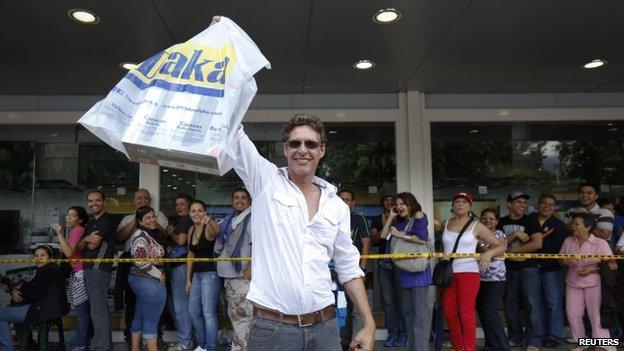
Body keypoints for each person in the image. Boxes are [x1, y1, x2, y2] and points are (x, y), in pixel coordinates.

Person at [215, 110, 375, 351]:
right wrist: (232, 81)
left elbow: (349, 268)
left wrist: (369, 324)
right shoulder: (265, 181)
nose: (303, 149)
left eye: (310, 144)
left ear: (321, 150)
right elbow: (234, 132)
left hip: (325, 329)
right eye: (295, 143)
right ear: (286, 149)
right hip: (272, 329)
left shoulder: (336, 205)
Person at [441, 192, 505, 351]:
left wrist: (488, 254)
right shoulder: (446, 223)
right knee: (449, 312)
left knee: (466, 314)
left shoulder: (477, 226)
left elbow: (502, 246)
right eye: (457, 201)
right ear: (452, 206)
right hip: (449, 274)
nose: (460, 204)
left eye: (464, 202)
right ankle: (459, 346)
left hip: (469, 273)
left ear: (470, 206)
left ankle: (469, 348)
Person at [379, 192, 432, 351]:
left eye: (402, 203)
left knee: (419, 316)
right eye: (397, 204)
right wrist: (391, 217)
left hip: (419, 272)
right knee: (408, 313)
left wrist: (400, 235)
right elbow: (383, 236)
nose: (400, 206)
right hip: (405, 271)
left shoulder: (419, 216)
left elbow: (422, 238)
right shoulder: (399, 222)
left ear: (410, 203)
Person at [116, 189, 168, 342]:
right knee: (134, 303)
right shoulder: (131, 223)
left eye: (146, 198)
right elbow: (120, 237)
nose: (142, 200)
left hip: (154, 266)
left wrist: (148, 217)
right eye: (139, 198)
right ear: (134, 200)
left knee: (148, 308)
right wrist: (137, 219)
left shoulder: (158, 217)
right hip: (135, 267)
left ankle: (152, 339)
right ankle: (133, 340)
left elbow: (163, 233)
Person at [560, 213, 617, 349]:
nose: (572, 226)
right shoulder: (569, 241)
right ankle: (582, 343)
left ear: (588, 227)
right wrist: (565, 261)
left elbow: (613, 264)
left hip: (594, 282)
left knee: (596, 315)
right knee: (573, 313)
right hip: (573, 282)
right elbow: (560, 259)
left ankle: (603, 345)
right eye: (572, 223)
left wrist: (593, 269)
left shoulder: (600, 243)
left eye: (576, 224)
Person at [498, 191, 544, 351]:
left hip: (528, 269)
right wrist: (515, 234)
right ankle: (515, 338)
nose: (522, 205)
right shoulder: (500, 221)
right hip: (507, 270)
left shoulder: (531, 220)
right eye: (518, 202)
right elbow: (498, 242)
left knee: (532, 305)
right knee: (510, 306)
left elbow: (537, 243)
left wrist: (511, 252)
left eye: (524, 203)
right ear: (509, 204)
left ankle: (534, 341)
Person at [0, 245, 68, 350]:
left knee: (1, 314)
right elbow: (34, 287)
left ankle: (7, 348)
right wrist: (19, 290)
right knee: (12, 310)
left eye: (42, 255)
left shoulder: (49, 270)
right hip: (49, 309)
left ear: (49, 257)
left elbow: (35, 292)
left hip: (44, 310)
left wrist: (20, 290)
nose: (39, 258)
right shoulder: (50, 269)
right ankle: (28, 346)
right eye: (36, 255)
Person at [214, 187, 253, 351]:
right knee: (237, 315)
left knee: (242, 315)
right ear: (232, 201)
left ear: (249, 202)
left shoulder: (252, 219)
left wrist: (250, 268)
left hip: (242, 276)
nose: (239, 200)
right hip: (231, 276)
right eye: (236, 197)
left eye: (243, 198)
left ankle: (240, 347)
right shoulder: (230, 221)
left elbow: (258, 245)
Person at [77, 190, 116, 351]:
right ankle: (105, 345)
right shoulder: (91, 222)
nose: (94, 203)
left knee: (97, 309)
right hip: (89, 267)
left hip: (98, 268)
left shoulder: (107, 221)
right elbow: (80, 247)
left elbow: (93, 245)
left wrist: (85, 241)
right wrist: (86, 239)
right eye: (91, 201)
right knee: (98, 308)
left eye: (97, 200)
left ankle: (100, 346)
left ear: (103, 201)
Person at [128, 206, 167, 351]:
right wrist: (159, 274)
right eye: (148, 218)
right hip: (147, 281)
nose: (152, 220)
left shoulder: (147, 234)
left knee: (139, 316)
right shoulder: (141, 237)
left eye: (153, 216)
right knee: (152, 320)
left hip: (142, 281)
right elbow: (140, 261)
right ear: (140, 221)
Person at [370, 192, 406, 348]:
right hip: (384, 263)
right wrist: (386, 222)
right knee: (389, 301)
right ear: (382, 203)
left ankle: (403, 333)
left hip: (400, 264)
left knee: (401, 300)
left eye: (393, 201)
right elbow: (375, 240)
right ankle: (392, 332)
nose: (390, 203)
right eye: (387, 201)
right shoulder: (378, 219)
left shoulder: (404, 218)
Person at [531, 195, 568, 348]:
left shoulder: (559, 225)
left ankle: (555, 335)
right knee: (537, 304)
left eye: (551, 204)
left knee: (554, 303)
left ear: (554, 207)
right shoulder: (530, 220)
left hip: (552, 269)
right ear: (538, 204)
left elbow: (561, 249)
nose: (547, 206)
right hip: (531, 268)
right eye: (544, 203)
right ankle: (541, 334)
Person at [53, 206, 91, 351]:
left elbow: (69, 253)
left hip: (80, 273)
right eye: (68, 215)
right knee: (84, 310)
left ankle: (81, 343)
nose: (68, 218)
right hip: (80, 273)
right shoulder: (78, 231)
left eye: (73, 215)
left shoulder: (77, 230)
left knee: (81, 311)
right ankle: (85, 340)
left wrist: (59, 234)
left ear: (80, 219)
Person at [338, 189, 371, 347]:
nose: (344, 202)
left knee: (357, 309)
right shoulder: (331, 217)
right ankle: (341, 343)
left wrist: (362, 268)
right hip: (333, 272)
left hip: (355, 272)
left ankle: (357, 343)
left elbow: (366, 243)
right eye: (342, 199)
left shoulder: (358, 218)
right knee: (339, 307)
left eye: (347, 199)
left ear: (353, 202)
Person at [185, 200, 220, 351]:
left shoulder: (208, 225)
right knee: (193, 311)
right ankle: (203, 344)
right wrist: (188, 279)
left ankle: (210, 347)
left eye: (200, 210)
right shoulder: (191, 229)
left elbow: (217, 232)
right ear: (189, 213)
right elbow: (190, 255)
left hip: (210, 275)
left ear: (205, 212)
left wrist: (210, 221)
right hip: (196, 275)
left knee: (208, 313)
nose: (197, 213)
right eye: (193, 210)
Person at [476, 209, 510, 351]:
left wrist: (485, 247)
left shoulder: (499, 234)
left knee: (490, 311)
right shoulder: (478, 234)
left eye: (491, 219)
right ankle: (491, 344)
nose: (488, 221)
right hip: (479, 278)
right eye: (484, 218)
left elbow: (495, 248)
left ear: (496, 221)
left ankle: (503, 346)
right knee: (482, 311)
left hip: (495, 279)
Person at [166, 193, 195, 351]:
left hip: (182, 266)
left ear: (189, 206)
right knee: (176, 305)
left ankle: (185, 342)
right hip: (176, 266)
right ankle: (188, 339)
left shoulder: (187, 220)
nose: (178, 207)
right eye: (177, 204)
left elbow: (181, 241)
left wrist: (170, 232)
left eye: (182, 204)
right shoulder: (181, 221)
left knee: (180, 306)